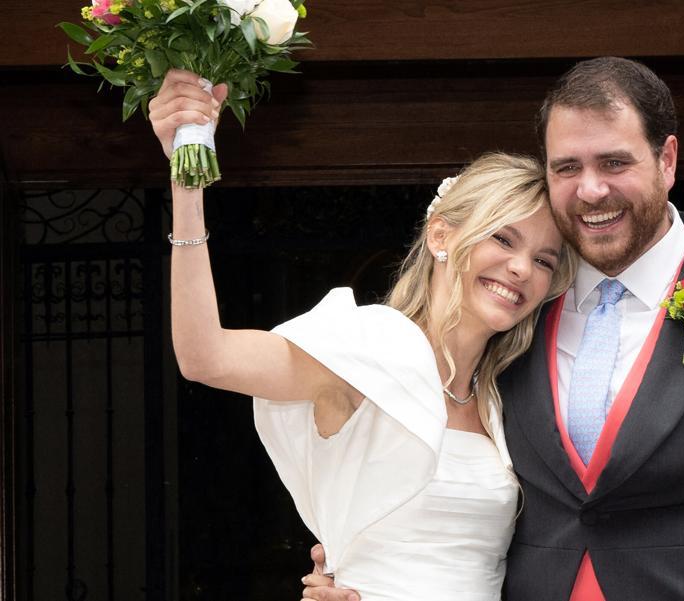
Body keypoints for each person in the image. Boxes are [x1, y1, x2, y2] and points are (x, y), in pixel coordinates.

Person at [302, 57, 684, 601]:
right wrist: (361, 568)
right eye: (567, 168)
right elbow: (426, 457)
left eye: (614, 163)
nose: (590, 190)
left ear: (667, 161)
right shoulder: (513, 308)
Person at [149, 69, 578, 601]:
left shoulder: (506, 396)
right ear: (441, 233)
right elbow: (205, 357)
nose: (520, 268)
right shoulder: (367, 348)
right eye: (503, 238)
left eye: (542, 260)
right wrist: (185, 184)